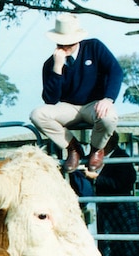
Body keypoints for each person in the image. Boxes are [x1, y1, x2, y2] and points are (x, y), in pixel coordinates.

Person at [29, 13, 123, 173]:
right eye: (61, 42)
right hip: (68, 107)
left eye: (70, 42)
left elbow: (116, 70)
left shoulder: (94, 47)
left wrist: (108, 99)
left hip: (94, 104)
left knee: (109, 118)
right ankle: (73, 148)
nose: (66, 46)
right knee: (37, 115)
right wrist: (57, 69)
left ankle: (96, 150)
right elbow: (50, 99)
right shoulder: (50, 64)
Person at [70, 136, 139, 256]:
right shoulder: (102, 157)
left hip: (120, 208)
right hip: (108, 210)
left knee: (125, 249)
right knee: (113, 249)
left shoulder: (121, 158)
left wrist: (96, 178)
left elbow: (124, 183)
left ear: (109, 142)